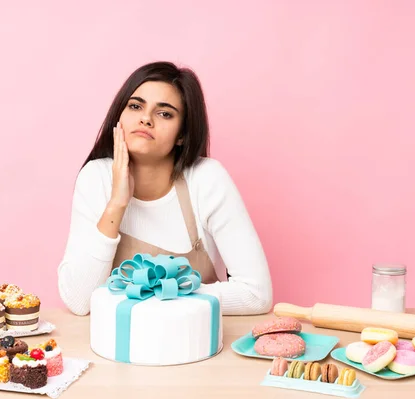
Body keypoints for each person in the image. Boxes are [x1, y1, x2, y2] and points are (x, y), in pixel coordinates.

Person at [57, 61, 272, 316]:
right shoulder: (96, 177)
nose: (145, 119)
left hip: (196, 345)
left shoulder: (206, 179)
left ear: (182, 134)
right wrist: (117, 203)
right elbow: (80, 302)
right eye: (135, 106)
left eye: (165, 113)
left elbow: (257, 295)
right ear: (119, 118)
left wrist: (155, 294)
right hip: (113, 350)